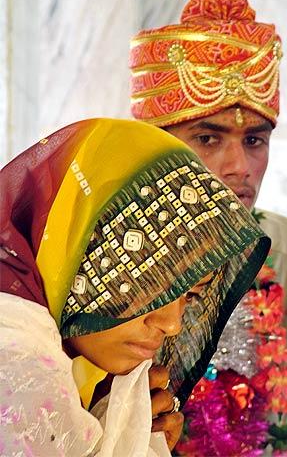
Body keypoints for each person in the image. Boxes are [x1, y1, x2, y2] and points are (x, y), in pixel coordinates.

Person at [129, 0, 287, 455]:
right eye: (208, 138)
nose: (239, 167)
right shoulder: (102, 258)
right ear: (153, 146)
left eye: (254, 140)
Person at [0, 118, 270, 455]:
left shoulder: (58, 343)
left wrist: (112, 423)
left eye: (189, 295)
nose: (172, 325)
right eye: (151, 283)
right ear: (77, 253)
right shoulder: (15, 359)